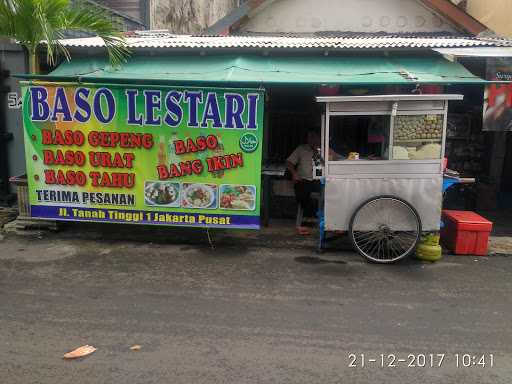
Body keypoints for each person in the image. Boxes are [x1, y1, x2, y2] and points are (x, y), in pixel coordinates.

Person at [287, 131, 336, 235]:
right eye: (310, 137)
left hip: (320, 180)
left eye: (314, 137)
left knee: (330, 193)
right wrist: (294, 173)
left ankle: (326, 221)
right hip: (304, 179)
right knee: (302, 195)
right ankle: (305, 221)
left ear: (320, 138)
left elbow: (337, 160)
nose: (312, 140)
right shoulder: (301, 149)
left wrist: (328, 153)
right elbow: (289, 162)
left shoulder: (326, 150)